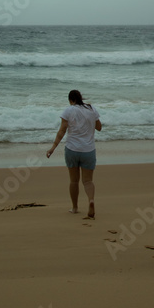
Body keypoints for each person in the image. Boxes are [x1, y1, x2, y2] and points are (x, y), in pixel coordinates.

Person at [46, 89, 101, 218]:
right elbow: (99, 127)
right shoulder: (91, 108)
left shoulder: (69, 110)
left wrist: (53, 147)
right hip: (88, 150)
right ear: (80, 98)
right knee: (87, 181)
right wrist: (88, 123)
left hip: (72, 149)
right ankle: (91, 201)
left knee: (74, 181)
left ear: (71, 100)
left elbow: (62, 131)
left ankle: (75, 208)